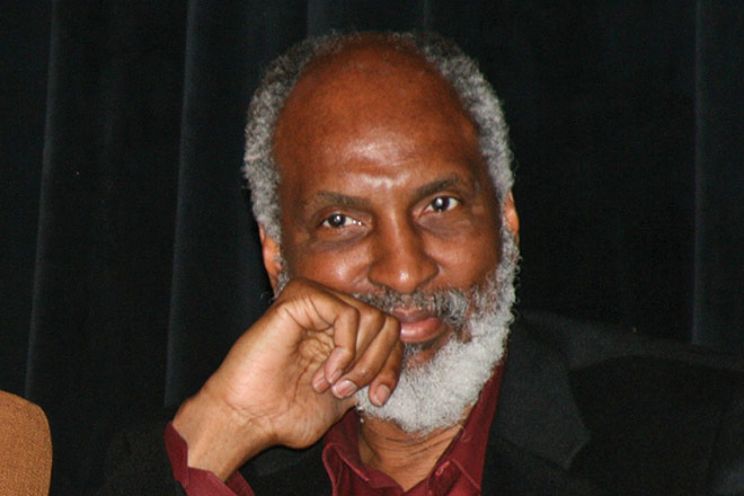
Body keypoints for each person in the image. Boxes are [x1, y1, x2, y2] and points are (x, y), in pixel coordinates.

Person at [99, 32, 744, 496]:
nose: (404, 272)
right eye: (342, 222)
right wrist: (228, 428)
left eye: (439, 205)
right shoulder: (206, 467)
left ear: (506, 218)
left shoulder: (702, 437)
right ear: (276, 255)